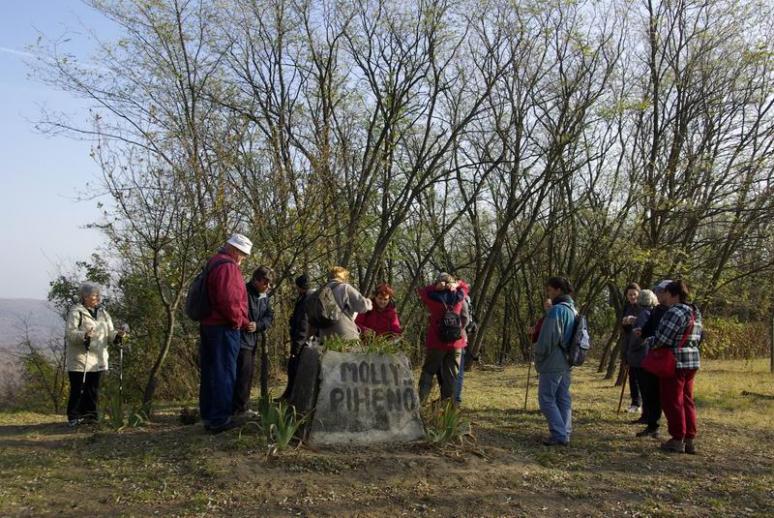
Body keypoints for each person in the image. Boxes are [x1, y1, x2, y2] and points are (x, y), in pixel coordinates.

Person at [199, 233, 252, 433]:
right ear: (234, 250)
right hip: (223, 327)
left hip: (210, 325)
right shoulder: (228, 267)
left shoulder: (214, 262)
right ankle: (220, 419)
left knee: (211, 371)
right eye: (242, 254)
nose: (243, 259)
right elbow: (229, 300)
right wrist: (238, 321)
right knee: (225, 373)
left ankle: (209, 415)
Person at [643, 280, 703, 454]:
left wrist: (649, 340)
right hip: (692, 360)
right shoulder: (695, 311)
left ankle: (677, 438)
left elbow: (663, 339)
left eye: (666, 294)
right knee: (687, 400)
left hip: (675, 361)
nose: (664, 298)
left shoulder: (675, 311)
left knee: (672, 401)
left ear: (673, 294)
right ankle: (689, 438)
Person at [65, 282, 127, 426]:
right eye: (94, 295)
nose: (98, 298)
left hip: (98, 358)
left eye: (98, 295)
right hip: (80, 359)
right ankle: (74, 417)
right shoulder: (77, 312)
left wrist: (119, 335)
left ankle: (91, 416)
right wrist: (84, 335)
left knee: (93, 390)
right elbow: (70, 334)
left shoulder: (103, 313)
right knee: (78, 389)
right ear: (85, 297)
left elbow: (110, 333)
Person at [534, 276, 576, 446]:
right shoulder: (572, 309)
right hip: (566, 360)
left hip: (553, 361)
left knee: (546, 399)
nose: (548, 293)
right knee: (562, 397)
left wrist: (539, 355)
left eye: (550, 290)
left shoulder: (557, 310)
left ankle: (559, 434)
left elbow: (547, 339)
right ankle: (565, 431)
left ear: (558, 290)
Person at [417, 272, 470, 403]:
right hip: (456, 342)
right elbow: (465, 287)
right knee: (451, 376)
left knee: (428, 371)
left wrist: (436, 287)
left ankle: (420, 402)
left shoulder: (432, 297)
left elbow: (423, 291)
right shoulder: (459, 296)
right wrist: (457, 284)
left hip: (436, 342)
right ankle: (448, 407)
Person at [232, 266, 274, 416]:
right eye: (265, 283)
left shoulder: (265, 297)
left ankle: (240, 407)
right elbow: (235, 311)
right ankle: (239, 409)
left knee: (247, 375)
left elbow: (269, 317)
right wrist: (245, 323)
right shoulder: (243, 292)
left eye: (269, 284)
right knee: (241, 375)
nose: (268, 287)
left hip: (252, 340)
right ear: (256, 280)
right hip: (239, 339)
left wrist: (258, 325)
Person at [628, 289, 660, 437]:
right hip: (648, 356)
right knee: (647, 389)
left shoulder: (642, 315)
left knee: (645, 389)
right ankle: (647, 416)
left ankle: (647, 417)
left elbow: (638, 337)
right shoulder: (653, 313)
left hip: (641, 357)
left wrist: (631, 348)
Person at [278, 274, 313, 401]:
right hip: (304, 340)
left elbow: (303, 324)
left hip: (303, 341)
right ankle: (290, 394)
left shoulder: (306, 300)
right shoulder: (306, 297)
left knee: (294, 368)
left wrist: (296, 348)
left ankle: (291, 396)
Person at [316, 266, 372, 342]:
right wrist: (369, 301)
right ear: (344, 277)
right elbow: (362, 306)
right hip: (345, 336)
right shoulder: (345, 288)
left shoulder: (321, 291)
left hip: (325, 337)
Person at [621, 283, 642, 414]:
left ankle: (640, 403)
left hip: (640, 345)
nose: (632, 296)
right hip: (629, 344)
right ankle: (635, 403)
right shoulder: (626, 307)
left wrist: (634, 320)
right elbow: (623, 328)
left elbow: (644, 322)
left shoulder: (643, 307)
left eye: (634, 294)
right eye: (630, 294)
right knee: (631, 375)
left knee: (640, 376)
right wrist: (624, 322)